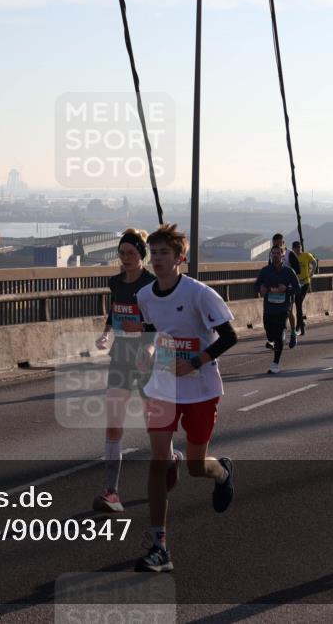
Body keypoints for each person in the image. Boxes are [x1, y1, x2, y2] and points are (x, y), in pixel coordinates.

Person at [133, 223, 237, 572]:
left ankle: (221, 472)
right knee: (157, 461)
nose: (158, 259)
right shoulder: (145, 296)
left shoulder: (199, 294)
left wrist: (194, 361)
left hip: (200, 389)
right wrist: (146, 352)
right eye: (154, 253)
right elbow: (150, 331)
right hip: (162, 386)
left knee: (196, 466)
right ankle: (159, 545)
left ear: (180, 259)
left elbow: (229, 336)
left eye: (165, 254)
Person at [93, 229, 178, 513]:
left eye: (131, 253)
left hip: (146, 360)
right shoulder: (115, 281)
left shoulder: (151, 285)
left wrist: (147, 342)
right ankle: (111, 493)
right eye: (122, 253)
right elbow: (114, 314)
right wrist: (106, 334)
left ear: (142, 255)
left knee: (152, 426)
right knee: (113, 424)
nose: (126, 258)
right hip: (121, 358)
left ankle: (171, 458)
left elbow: (162, 324)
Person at [254, 246, 301, 374]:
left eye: (277, 253)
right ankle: (276, 341)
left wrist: (286, 289)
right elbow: (256, 285)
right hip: (269, 308)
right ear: (270, 255)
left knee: (279, 333)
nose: (275, 255)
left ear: (282, 255)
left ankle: (275, 363)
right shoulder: (265, 271)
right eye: (273, 253)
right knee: (270, 334)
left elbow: (297, 289)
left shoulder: (289, 271)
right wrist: (261, 288)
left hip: (283, 308)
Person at [269, 233, 301, 347]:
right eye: (274, 245)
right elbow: (270, 269)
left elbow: (298, 270)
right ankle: (280, 332)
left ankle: (292, 333)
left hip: (289, 288)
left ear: (283, 243)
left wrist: (287, 279)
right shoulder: (272, 254)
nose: (276, 248)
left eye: (278, 245)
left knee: (288, 311)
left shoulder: (290, 254)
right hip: (275, 289)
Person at [291, 241, 319, 335]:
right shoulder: (292, 257)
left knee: (298, 302)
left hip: (305, 282)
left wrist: (312, 273)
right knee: (298, 304)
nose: (298, 249)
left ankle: (298, 326)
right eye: (296, 248)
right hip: (296, 283)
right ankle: (301, 324)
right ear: (293, 249)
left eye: (299, 247)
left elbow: (314, 262)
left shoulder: (306, 255)